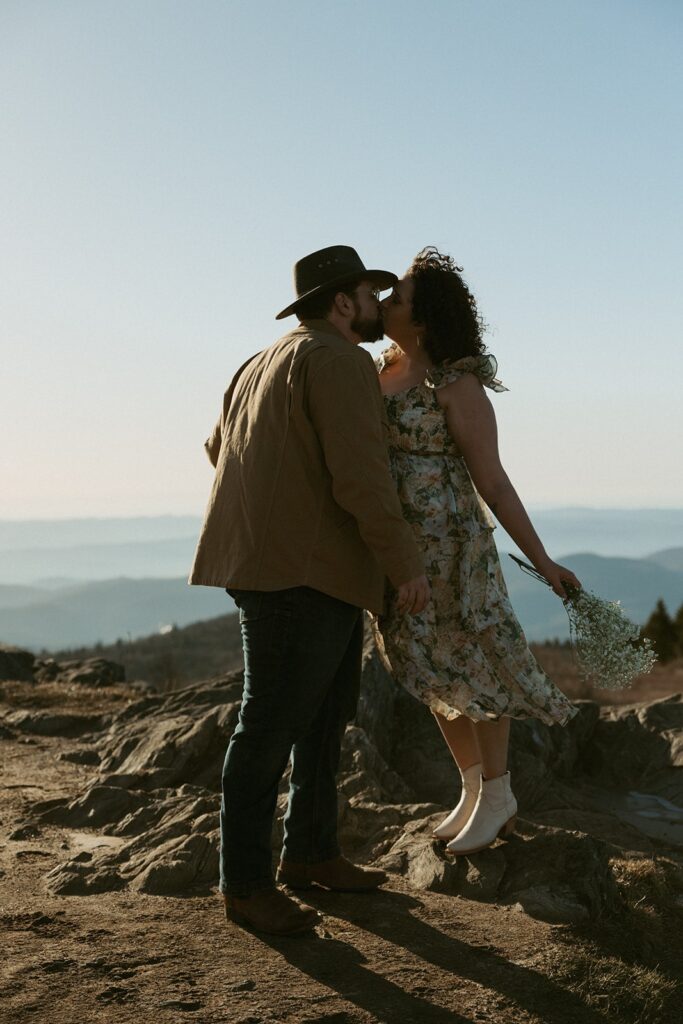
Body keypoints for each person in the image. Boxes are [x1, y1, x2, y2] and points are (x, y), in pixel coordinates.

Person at [189, 245, 430, 936]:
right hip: (302, 569)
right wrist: (402, 561)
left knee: (323, 717)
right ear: (341, 302)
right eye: (366, 292)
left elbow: (219, 447)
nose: (376, 305)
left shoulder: (262, 359)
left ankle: (311, 853)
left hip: (275, 563)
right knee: (268, 726)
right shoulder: (336, 361)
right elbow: (360, 475)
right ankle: (245, 886)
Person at [372, 246, 580, 857]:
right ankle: (471, 789)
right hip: (398, 550)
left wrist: (543, 561)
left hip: (453, 550)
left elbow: (493, 480)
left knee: (474, 663)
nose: (387, 304)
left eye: (399, 298)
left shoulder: (455, 385)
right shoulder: (377, 372)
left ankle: (498, 792)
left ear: (425, 318)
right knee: (422, 665)